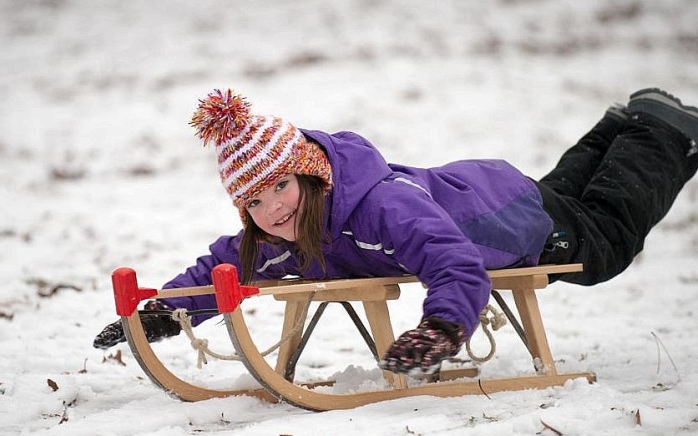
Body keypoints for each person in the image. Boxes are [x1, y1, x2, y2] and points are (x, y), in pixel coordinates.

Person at [93, 87, 698, 377]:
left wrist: (442, 326)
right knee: (569, 199)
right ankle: (626, 122)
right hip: (483, 187)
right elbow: (217, 271)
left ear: (310, 176)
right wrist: (158, 314)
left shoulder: (378, 207)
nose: (272, 208)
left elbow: (450, 259)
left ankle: (663, 132)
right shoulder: (273, 238)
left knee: (601, 244)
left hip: (499, 218)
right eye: (253, 199)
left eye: (280, 186)